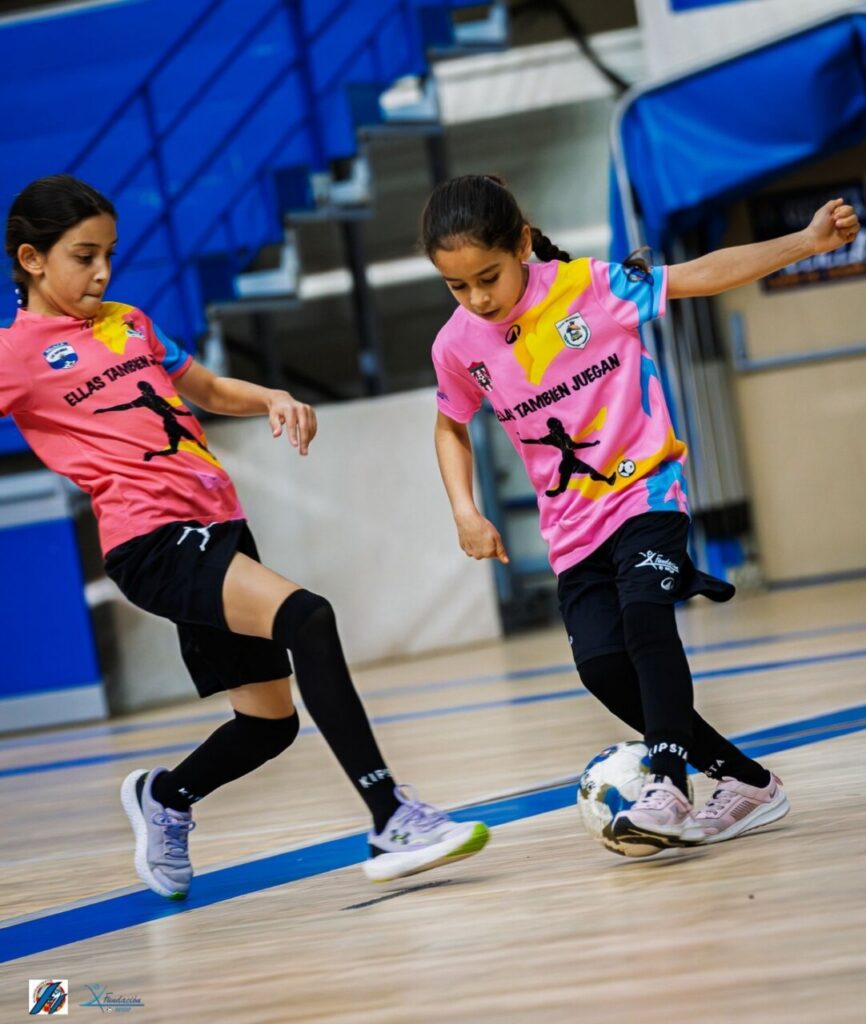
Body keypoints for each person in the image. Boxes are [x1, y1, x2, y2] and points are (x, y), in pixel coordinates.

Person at [0, 174, 490, 898]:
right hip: (150, 542)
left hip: (218, 527)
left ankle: (165, 797)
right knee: (309, 617)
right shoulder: (16, 356)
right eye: (83, 256)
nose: (101, 271)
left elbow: (203, 388)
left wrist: (271, 396)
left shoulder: (128, 321)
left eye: (109, 253)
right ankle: (390, 815)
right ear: (31, 260)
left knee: (268, 724)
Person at [423, 173, 860, 856]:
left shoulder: (590, 288)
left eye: (489, 276)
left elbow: (707, 273)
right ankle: (748, 783)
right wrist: (463, 510)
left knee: (645, 619)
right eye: (458, 286)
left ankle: (666, 785)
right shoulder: (457, 345)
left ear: (522, 245)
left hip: (645, 491)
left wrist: (805, 241)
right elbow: (450, 426)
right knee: (601, 665)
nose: (477, 298)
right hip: (571, 528)